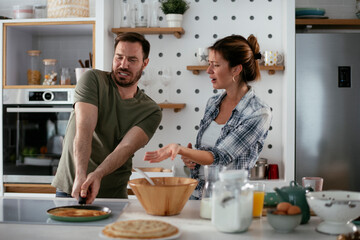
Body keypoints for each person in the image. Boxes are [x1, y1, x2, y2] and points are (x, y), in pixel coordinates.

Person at [144, 34, 272, 199]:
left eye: (216, 65)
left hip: (229, 201)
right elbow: (207, 157)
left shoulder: (258, 113)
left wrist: (180, 149)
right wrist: (192, 157)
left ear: (236, 69)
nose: (208, 70)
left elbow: (220, 157)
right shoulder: (213, 103)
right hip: (198, 197)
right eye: (209, 64)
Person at [52, 32, 162, 203]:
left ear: (144, 63)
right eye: (119, 57)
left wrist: (97, 175)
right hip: (72, 186)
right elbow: (84, 131)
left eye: (132, 60)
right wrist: (81, 176)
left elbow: (125, 148)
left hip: (112, 194)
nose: (123, 65)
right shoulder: (93, 80)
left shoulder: (151, 110)